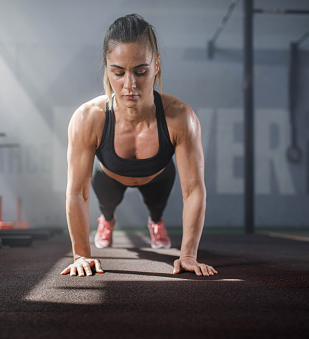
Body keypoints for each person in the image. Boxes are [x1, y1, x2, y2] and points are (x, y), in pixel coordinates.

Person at [61, 14, 217, 278]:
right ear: (107, 67)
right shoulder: (88, 118)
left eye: (141, 72)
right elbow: (77, 193)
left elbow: (193, 191)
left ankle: (156, 221)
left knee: (157, 206)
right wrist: (81, 255)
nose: (129, 85)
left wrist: (188, 255)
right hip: (110, 175)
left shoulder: (181, 117)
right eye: (118, 72)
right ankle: (106, 220)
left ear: (156, 64)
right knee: (105, 202)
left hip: (157, 176)